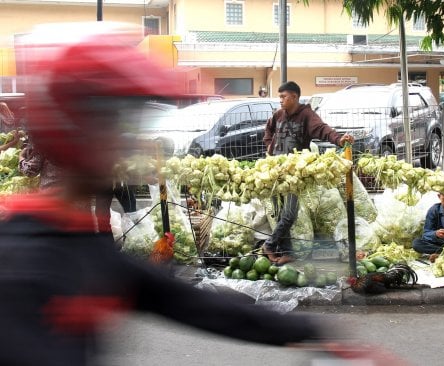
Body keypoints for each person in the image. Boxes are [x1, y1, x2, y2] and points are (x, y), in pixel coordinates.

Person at [0, 22, 338, 365]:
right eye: (113, 123)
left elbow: (185, 301)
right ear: (74, 128)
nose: (124, 141)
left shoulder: (81, 244)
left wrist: (306, 332)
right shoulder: (21, 262)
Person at [262, 81, 354, 264]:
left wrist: (339, 139)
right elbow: (268, 131)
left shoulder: (306, 115)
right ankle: (285, 251)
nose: (280, 100)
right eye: (279, 97)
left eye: (283, 97)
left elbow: (322, 129)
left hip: (294, 174)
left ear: (294, 97)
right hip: (274, 171)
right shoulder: (278, 115)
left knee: (290, 213)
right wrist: (270, 147)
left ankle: (269, 245)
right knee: (280, 213)